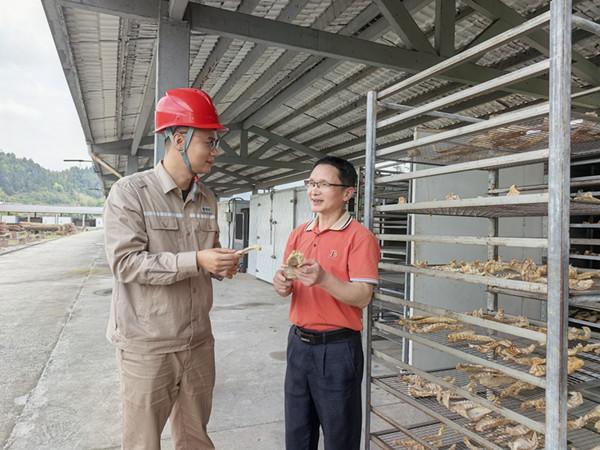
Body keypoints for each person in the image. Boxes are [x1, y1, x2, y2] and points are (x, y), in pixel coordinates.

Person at [103, 87, 240, 450]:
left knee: (195, 439)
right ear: (180, 139)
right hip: (148, 344)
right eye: (209, 141)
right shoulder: (130, 193)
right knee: (143, 442)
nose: (215, 151)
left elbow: (207, 256)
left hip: (197, 341)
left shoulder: (207, 197)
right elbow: (125, 263)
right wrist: (197, 260)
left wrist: (220, 265)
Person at [272, 156, 381, 450]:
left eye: (323, 184)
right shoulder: (299, 234)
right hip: (298, 345)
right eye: (311, 183)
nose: (314, 191)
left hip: (337, 350)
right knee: (297, 433)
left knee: (339, 436)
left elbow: (363, 296)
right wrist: (281, 284)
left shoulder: (360, 238)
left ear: (347, 193)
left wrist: (324, 279)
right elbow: (287, 282)